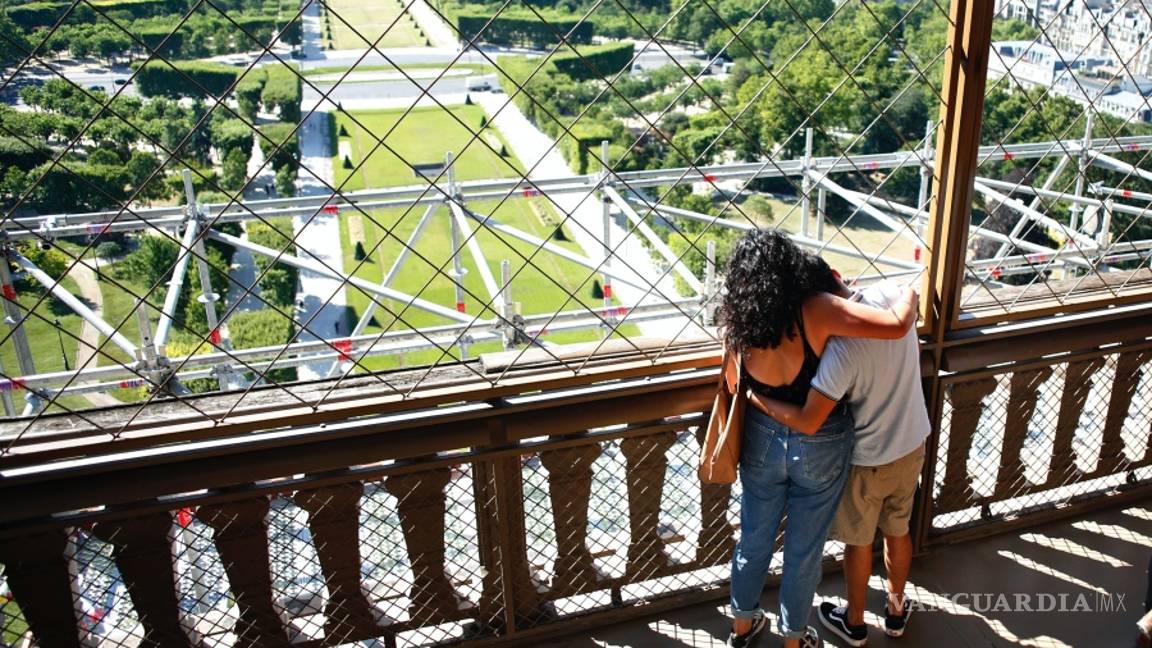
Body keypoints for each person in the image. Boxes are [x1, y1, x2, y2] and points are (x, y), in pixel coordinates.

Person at [719, 230, 918, 648]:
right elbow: (897, 325)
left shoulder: (738, 321)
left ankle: (742, 627)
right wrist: (910, 293)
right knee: (803, 550)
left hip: (762, 440)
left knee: (753, 538)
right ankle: (794, 639)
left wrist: (757, 397)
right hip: (821, 442)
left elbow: (734, 384)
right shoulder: (815, 309)